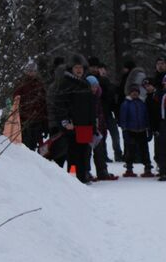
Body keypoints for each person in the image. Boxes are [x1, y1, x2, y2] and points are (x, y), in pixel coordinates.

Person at [55, 53, 97, 184]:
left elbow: (91, 107)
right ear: (71, 69)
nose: (79, 70)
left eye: (81, 68)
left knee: (84, 153)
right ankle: (73, 179)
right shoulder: (65, 84)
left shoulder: (85, 83)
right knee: (73, 154)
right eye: (76, 67)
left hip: (85, 125)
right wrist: (65, 121)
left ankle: (83, 176)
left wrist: (93, 125)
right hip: (72, 126)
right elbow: (60, 106)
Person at [119, 84, 154, 178]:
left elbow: (146, 116)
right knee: (130, 150)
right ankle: (129, 168)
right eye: (133, 92)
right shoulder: (126, 104)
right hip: (131, 130)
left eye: (136, 92)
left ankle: (147, 167)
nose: (134, 93)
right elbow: (123, 118)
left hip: (142, 130)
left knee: (145, 150)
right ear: (130, 93)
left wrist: (148, 128)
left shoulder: (142, 103)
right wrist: (124, 130)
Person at [86, 75, 117, 181]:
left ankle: (102, 171)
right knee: (86, 151)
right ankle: (86, 171)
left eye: (95, 86)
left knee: (100, 150)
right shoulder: (85, 97)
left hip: (99, 127)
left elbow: (101, 113)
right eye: (91, 86)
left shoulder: (99, 97)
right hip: (86, 127)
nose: (93, 88)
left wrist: (103, 127)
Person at [12, 61, 48, 151]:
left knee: (37, 147)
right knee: (25, 147)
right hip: (24, 121)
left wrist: (45, 122)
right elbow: (15, 101)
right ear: (26, 71)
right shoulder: (21, 84)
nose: (31, 73)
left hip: (37, 121)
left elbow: (44, 104)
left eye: (33, 71)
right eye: (29, 70)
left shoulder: (39, 84)